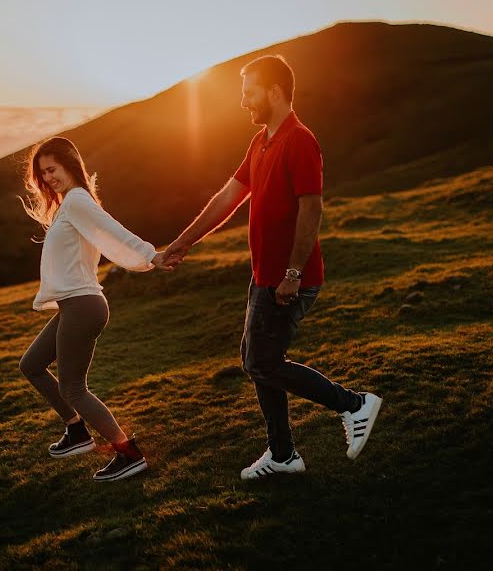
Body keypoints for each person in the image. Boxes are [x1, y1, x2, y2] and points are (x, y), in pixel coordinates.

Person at [162, 55, 382, 480]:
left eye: (249, 93)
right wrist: (182, 243)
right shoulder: (262, 140)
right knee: (257, 358)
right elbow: (228, 197)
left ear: (274, 92)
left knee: (261, 362)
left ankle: (355, 405)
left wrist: (293, 273)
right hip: (264, 275)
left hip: (288, 279)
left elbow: (312, 208)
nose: (244, 102)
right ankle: (282, 455)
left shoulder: (299, 140)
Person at [18, 136, 171, 482]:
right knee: (31, 364)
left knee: (74, 387)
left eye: (52, 169)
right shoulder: (68, 206)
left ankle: (128, 453)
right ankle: (77, 431)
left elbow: (112, 230)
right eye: (43, 174)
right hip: (73, 305)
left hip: (83, 306)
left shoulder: (76, 201)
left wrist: (151, 255)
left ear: (70, 164)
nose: (48, 178)